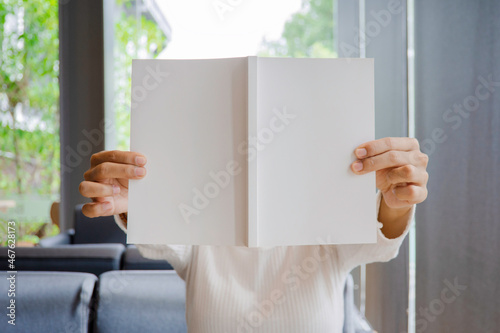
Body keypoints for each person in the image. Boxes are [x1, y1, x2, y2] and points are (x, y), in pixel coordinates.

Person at [79, 137, 428, 332]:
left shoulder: (324, 225)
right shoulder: (202, 231)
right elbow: (158, 232)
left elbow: (383, 238)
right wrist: (133, 201)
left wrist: (397, 197)